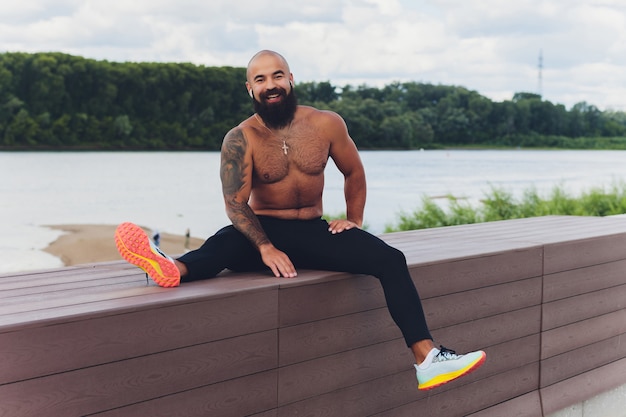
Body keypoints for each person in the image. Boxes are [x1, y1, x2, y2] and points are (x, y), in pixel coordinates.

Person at [114, 50, 486, 391]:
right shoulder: (240, 138)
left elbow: (354, 172)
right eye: (260, 80)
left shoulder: (326, 124)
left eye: (277, 76)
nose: (270, 85)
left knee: (390, 260)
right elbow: (236, 204)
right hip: (263, 227)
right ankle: (171, 266)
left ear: (290, 78)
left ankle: (426, 358)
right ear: (250, 88)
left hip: (313, 229)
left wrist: (354, 218)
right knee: (226, 243)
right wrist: (265, 247)